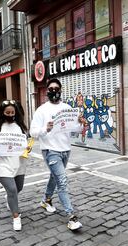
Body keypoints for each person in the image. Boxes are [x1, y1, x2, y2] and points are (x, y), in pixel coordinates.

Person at [30, 78, 85, 231]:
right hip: (50, 150)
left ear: (60, 91)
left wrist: (81, 122)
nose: (54, 91)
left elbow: (76, 129)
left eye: (57, 88)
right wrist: (45, 129)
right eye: (51, 89)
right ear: (47, 91)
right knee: (62, 181)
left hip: (65, 149)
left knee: (54, 177)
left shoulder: (67, 107)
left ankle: (46, 200)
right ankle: (71, 216)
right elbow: (32, 132)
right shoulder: (41, 110)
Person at [0, 100, 28, 231]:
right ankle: (16, 216)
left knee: (18, 187)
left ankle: (9, 198)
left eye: (12, 112)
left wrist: (28, 148)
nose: (10, 114)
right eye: (7, 112)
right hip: (2, 164)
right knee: (12, 189)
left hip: (19, 163)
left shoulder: (20, 126)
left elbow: (26, 142)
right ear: (3, 113)